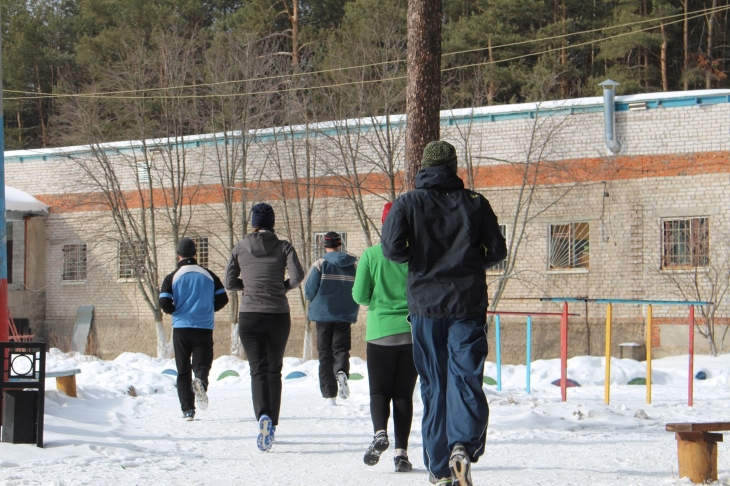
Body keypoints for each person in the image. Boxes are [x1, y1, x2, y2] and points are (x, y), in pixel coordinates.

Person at [382, 141, 507, 486]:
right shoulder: (476, 203)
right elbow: (497, 250)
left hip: (426, 307)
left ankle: (439, 470)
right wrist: (467, 263)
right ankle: (462, 448)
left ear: (424, 166)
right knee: (465, 377)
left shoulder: (407, 203)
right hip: (467, 304)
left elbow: (392, 249)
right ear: (453, 167)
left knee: (434, 385)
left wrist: (421, 262)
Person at [225, 203, 305, 451]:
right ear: (272, 222)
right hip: (277, 315)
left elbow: (229, 281)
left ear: (253, 223)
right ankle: (273, 422)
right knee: (274, 370)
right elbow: (297, 276)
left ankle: (262, 416)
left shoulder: (240, 247)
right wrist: (281, 287)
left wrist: (248, 288)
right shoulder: (284, 247)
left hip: (249, 316)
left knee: (257, 370)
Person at [352, 202, 418, 473]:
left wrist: (376, 298)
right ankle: (401, 453)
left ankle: (380, 433)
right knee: (404, 394)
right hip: (411, 334)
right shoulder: (415, 255)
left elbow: (359, 296)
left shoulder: (371, 255)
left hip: (380, 334)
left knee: (379, 390)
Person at [159, 237, 229, 422]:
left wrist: (176, 311)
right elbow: (223, 299)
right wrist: (207, 308)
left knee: (182, 370)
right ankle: (201, 381)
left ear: (178, 255)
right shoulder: (209, 275)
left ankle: (188, 410)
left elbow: (164, 302)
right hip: (204, 327)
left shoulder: (172, 277)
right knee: (202, 364)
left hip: (181, 328)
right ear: (195, 254)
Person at [303, 231, 359, 404]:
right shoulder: (353, 265)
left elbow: (309, 290)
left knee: (325, 354)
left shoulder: (320, 264)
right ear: (339, 244)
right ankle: (341, 370)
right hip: (344, 314)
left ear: (325, 245)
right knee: (341, 349)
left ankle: (329, 396)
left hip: (323, 315)